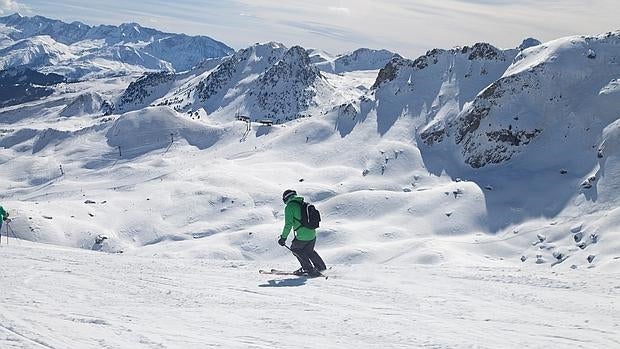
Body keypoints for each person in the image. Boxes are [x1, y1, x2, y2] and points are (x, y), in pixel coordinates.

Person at [278, 189, 326, 276]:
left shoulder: (290, 207)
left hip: (303, 236)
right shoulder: (303, 203)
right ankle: (321, 267)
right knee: (309, 251)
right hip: (312, 234)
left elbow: (288, 225)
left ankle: (308, 269)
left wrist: (283, 238)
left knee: (295, 249)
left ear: (286, 198)